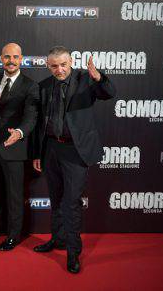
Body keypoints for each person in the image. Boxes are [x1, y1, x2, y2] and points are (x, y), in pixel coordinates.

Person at [32, 46, 116, 273]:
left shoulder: (86, 80)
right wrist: (39, 153)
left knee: (71, 202)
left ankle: (72, 251)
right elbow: (40, 124)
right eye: (54, 66)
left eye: (63, 65)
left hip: (75, 151)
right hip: (50, 149)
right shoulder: (44, 86)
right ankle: (57, 239)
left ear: (71, 62)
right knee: (55, 198)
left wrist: (98, 77)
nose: (59, 70)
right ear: (48, 66)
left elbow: (108, 93)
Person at [0, 43, 39, 251]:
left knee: (13, 195)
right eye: (6, 57)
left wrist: (20, 133)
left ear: (21, 59)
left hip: (15, 148)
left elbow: (31, 117)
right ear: (1, 59)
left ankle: (13, 236)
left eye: (15, 57)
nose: (11, 61)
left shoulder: (30, 86)